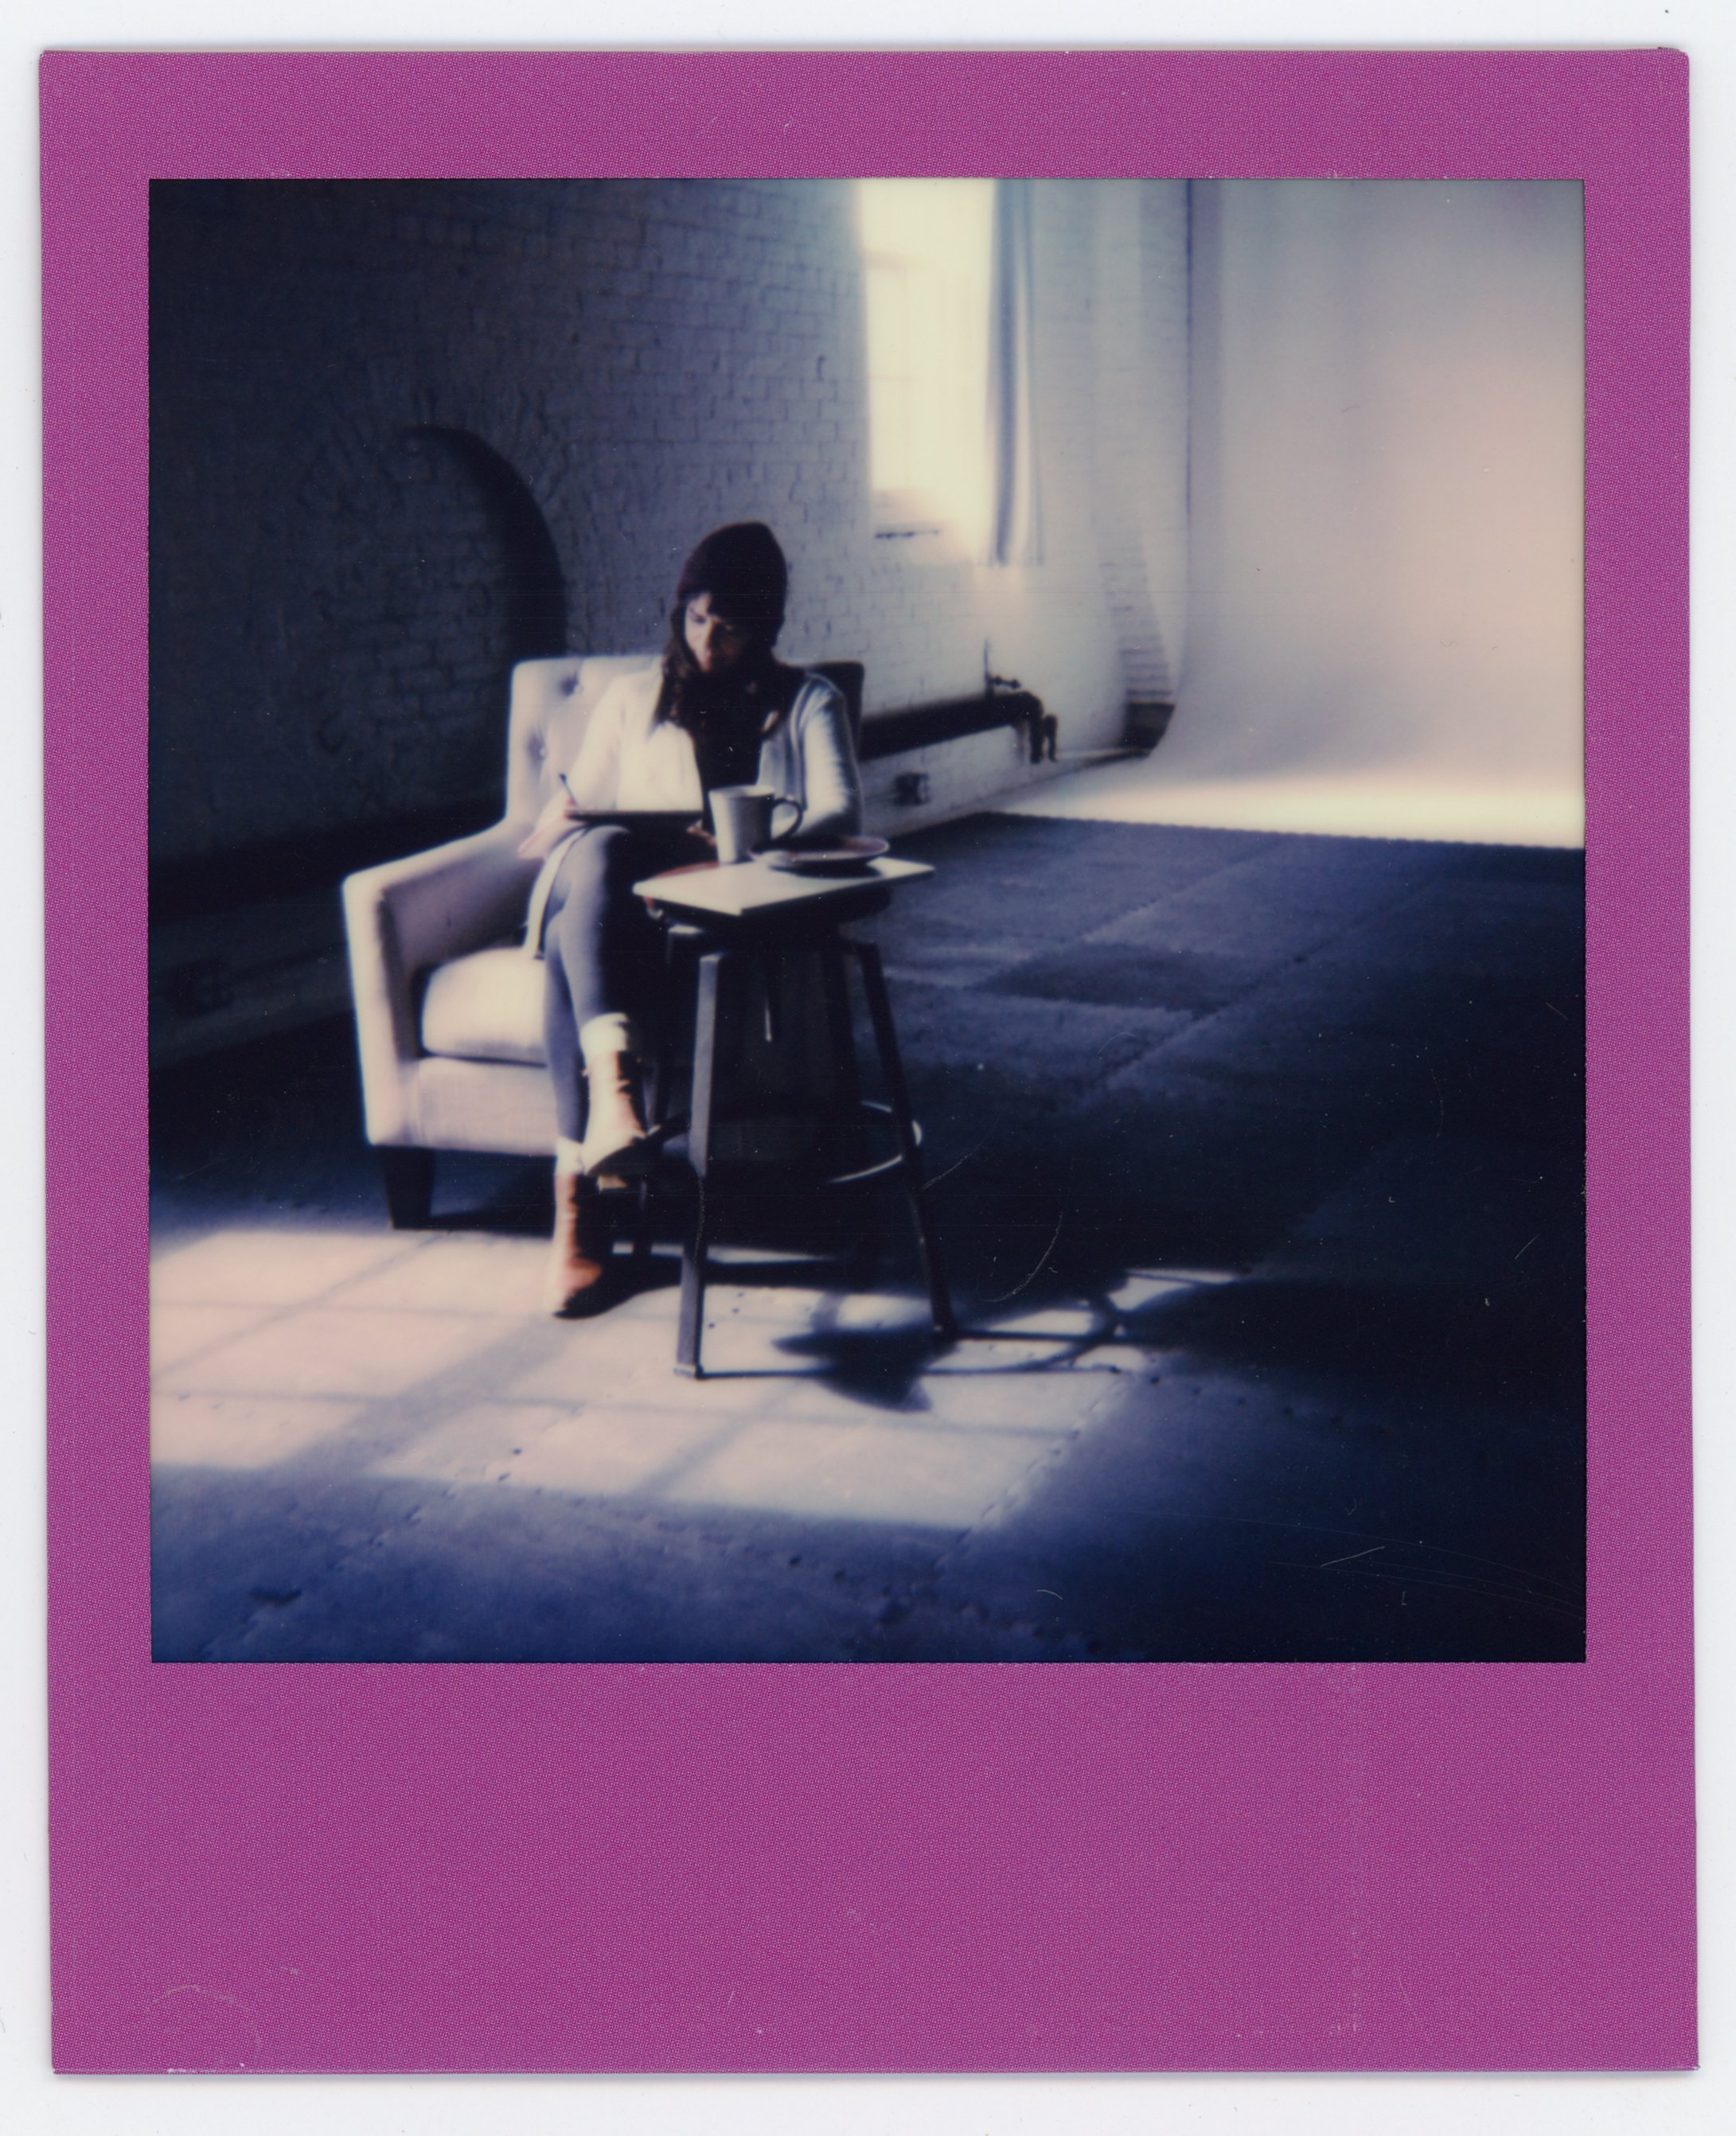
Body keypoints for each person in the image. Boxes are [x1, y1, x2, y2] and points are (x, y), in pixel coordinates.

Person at [517, 522, 864, 1315]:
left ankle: (580, 1201)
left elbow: (844, 807)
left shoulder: (809, 698)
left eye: (733, 626)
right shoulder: (632, 696)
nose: (711, 639)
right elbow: (579, 807)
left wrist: (750, 831)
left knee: (579, 937)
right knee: (601, 853)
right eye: (699, 618)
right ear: (680, 613)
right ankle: (614, 1104)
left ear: (766, 629)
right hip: (622, 896)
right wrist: (574, 808)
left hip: (717, 906)